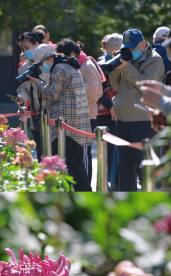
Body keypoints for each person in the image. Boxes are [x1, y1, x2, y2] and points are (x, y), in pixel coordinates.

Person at [26, 44, 93, 191]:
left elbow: (53, 95)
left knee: (62, 163)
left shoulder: (59, 69)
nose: (41, 67)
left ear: (50, 58)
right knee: (75, 164)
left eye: (41, 63)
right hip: (76, 121)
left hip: (66, 124)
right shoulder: (67, 65)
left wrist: (37, 82)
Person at [110, 28, 165, 191]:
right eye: (127, 47)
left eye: (134, 47)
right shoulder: (126, 57)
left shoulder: (154, 59)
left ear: (143, 44)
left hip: (144, 121)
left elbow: (145, 86)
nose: (131, 50)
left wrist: (126, 67)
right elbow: (114, 84)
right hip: (124, 120)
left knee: (147, 169)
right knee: (125, 170)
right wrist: (115, 66)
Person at [56, 38, 104, 183]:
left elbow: (93, 91)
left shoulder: (87, 66)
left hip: (86, 116)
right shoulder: (75, 66)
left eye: (63, 57)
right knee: (73, 159)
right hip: (73, 116)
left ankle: (86, 189)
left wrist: (70, 83)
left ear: (71, 54)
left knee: (83, 158)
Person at [12, 31, 49, 159]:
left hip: (53, 115)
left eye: (27, 48)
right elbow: (23, 89)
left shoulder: (50, 64)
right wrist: (21, 98)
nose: (24, 52)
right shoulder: (24, 68)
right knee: (40, 153)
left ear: (37, 45)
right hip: (35, 115)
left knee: (54, 152)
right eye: (22, 49)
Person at [97, 33, 123, 189]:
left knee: (114, 149)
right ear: (114, 48)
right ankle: (110, 182)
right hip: (108, 112)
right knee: (110, 149)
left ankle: (113, 181)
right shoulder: (102, 64)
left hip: (114, 111)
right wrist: (111, 106)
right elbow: (98, 92)